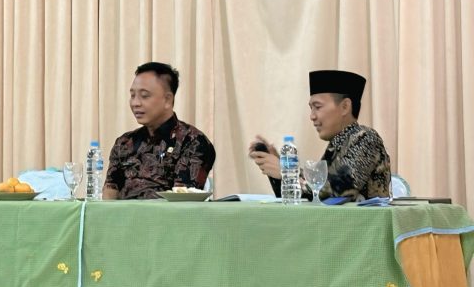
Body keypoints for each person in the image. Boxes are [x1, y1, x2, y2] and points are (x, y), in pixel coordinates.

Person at [248, 70, 391, 202]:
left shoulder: (366, 138)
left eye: (317, 107)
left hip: (365, 222)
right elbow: (307, 196)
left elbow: (334, 192)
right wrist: (281, 165)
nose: (312, 116)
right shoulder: (338, 144)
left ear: (345, 107)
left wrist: (285, 172)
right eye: (311, 108)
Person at [103, 62, 216, 200]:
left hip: (168, 214)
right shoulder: (124, 143)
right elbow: (109, 194)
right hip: (122, 214)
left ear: (168, 100)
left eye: (144, 96)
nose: (135, 103)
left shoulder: (193, 141)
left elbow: (183, 201)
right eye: (132, 95)